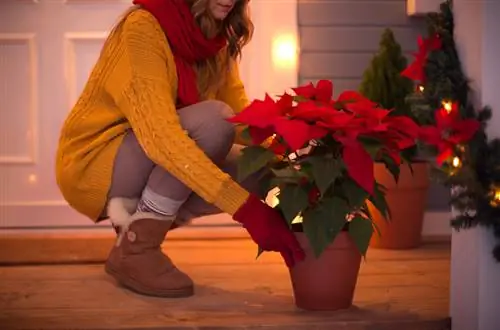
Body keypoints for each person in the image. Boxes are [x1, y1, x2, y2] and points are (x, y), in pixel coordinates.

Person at [55, 0, 305, 298]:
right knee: (213, 122)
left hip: (155, 153)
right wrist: (246, 210)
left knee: (262, 168)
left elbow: (241, 119)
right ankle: (138, 248)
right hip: (96, 160)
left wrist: (288, 140)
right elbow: (162, 137)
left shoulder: (215, 38)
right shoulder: (142, 28)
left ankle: (134, 237)